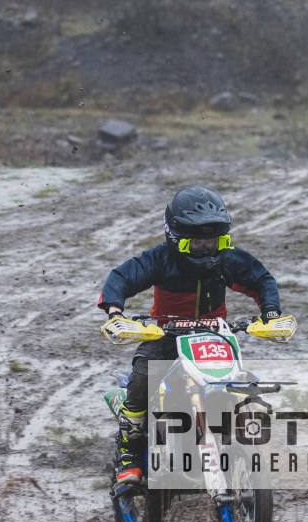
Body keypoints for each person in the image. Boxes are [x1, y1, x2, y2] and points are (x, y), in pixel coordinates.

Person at [98, 186, 282, 493]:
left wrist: (272, 312)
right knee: (142, 378)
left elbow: (260, 279)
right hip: (166, 336)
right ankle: (128, 455)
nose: (207, 248)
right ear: (175, 238)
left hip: (214, 336)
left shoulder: (228, 260)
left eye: (214, 241)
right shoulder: (159, 259)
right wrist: (115, 313)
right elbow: (122, 277)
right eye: (198, 242)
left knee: (244, 383)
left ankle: (242, 445)